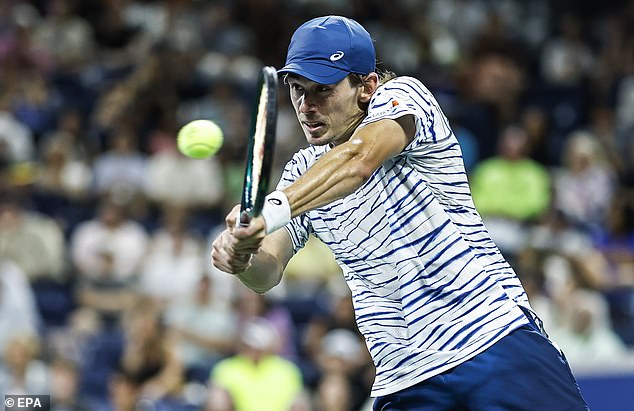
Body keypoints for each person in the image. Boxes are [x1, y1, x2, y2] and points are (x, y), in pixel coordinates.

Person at [211, 15, 589, 410]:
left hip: (494, 344)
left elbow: (358, 160)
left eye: (323, 90)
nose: (307, 107)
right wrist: (243, 256)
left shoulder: (405, 98)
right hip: (404, 380)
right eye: (298, 90)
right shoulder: (301, 175)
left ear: (366, 86)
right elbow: (267, 273)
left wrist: (270, 211)